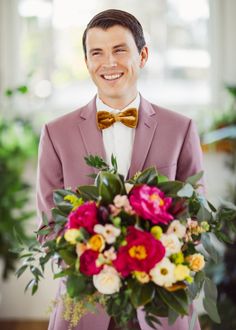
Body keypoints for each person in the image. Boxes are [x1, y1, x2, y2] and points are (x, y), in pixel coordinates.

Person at [36, 9, 203, 330]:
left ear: (143, 55)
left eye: (119, 50)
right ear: (86, 62)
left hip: (162, 305)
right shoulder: (56, 133)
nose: (108, 63)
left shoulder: (181, 129)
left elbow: (195, 218)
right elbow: (48, 226)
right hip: (84, 306)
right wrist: (96, 264)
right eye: (96, 53)